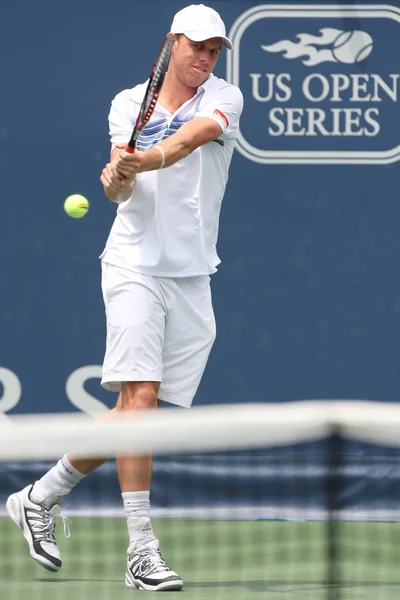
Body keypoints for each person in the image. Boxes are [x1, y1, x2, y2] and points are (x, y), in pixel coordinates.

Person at [6, 3, 243, 593]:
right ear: (172, 44)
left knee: (140, 416)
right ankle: (141, 548)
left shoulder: (227, 99)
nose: (206, 58)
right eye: (197, 47)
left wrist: (150, 157)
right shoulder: (125, 103)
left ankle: (39, 497)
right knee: (139, 398)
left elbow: (193, 138)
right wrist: (118, 179)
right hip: (134, 264)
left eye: (214, 50)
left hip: (192, 275)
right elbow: (122, 184)